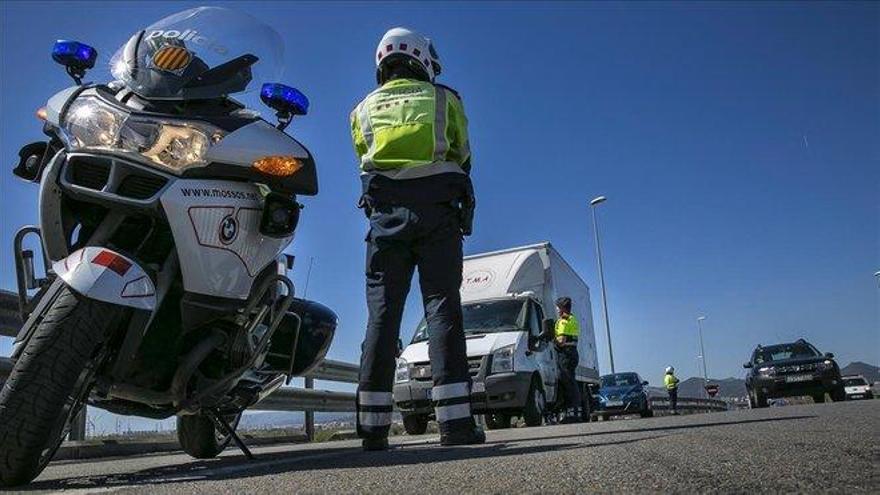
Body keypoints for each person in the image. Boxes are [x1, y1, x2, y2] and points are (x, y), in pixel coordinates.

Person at [350, 27, 481, 451]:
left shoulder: (362, 110)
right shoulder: (446, 100)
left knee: (383, 316)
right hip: (438, 216)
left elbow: (363, 158)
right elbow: (462, 154)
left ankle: (372, 429)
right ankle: (456, 426)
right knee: (442, 307)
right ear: (422, 58)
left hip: (386, 220)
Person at [554, 297, 581, 423]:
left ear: (562, 308)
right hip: (573, 353)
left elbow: (561, 341)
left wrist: (552, 339)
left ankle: (571, 414)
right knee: (571, 382)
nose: (556, 309)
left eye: (558, 307)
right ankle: (575, 412)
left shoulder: (563, 321)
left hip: (565, 354)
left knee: (566, 382)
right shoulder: (573, 318)